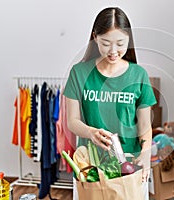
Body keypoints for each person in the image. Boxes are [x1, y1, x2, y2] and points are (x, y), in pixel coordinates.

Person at [63, 7, 157, 199]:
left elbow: (145, 126)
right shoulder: (79, 73)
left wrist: (146, 153)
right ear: (95, 37)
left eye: (120, 43)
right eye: (106, 43)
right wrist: (91, 132)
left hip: (129, 170)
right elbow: (72, 121)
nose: (113, 52)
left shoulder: (138, 74)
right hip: (91, 169)